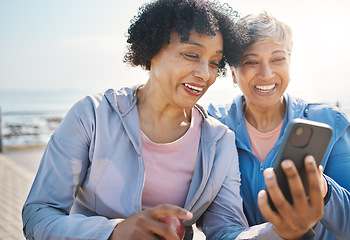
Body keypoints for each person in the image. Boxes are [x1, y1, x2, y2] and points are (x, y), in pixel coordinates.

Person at [22, 1, 282, 239]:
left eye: (214, 62)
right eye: (191, 55)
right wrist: (114, 232)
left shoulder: (219, 141)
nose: (205, 74)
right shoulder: (92, 116)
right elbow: (38, 214)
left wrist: (280, 230)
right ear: (152, 50)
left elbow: (226, 231)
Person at [208, 12, 350, 239]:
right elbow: (219, 231)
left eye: (278, 59)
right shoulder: (213, 128)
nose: (267, 74)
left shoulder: (330, 122)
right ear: (232, 72)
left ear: (289, 61)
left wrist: (325, 191)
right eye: (251, 62)